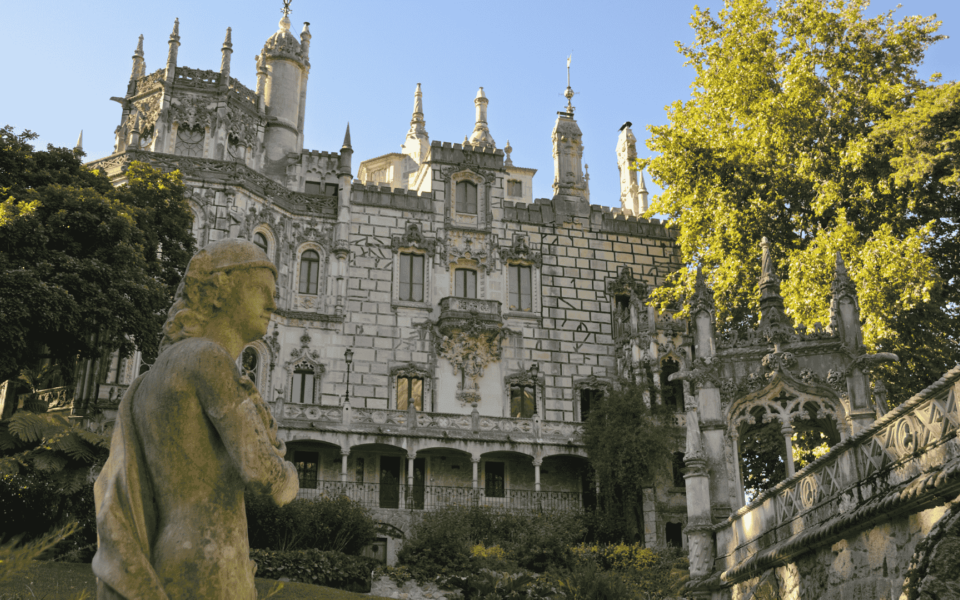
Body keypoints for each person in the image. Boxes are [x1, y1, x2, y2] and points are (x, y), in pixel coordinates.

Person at [93, 238, 299, 600]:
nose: (272, 303)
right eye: (261, 291)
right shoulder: (209, 360)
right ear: (220, 291)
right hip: (212, 558)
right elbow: (263, 474)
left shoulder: (149, 378)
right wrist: (290, 475)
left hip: (168, 552)